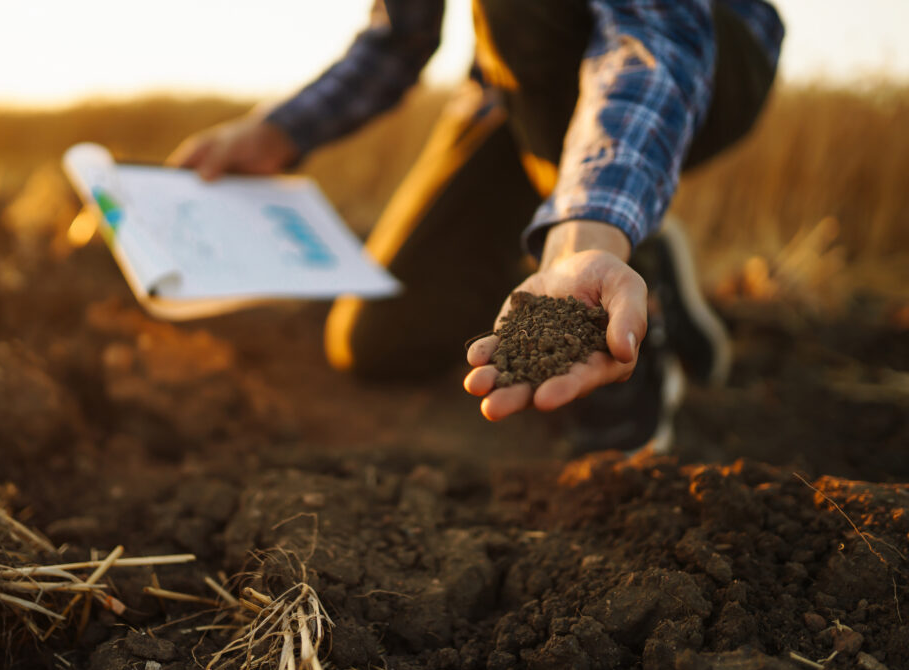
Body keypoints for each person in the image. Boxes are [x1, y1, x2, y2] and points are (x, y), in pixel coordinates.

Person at [167, 0, 784, 452]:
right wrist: (276, 132)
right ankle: (632, 245)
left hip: (701, 56)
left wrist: (588, 230)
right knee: (378, 339)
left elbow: (655, 39)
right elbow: (398, 39)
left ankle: (621, 265)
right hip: (517, 95)